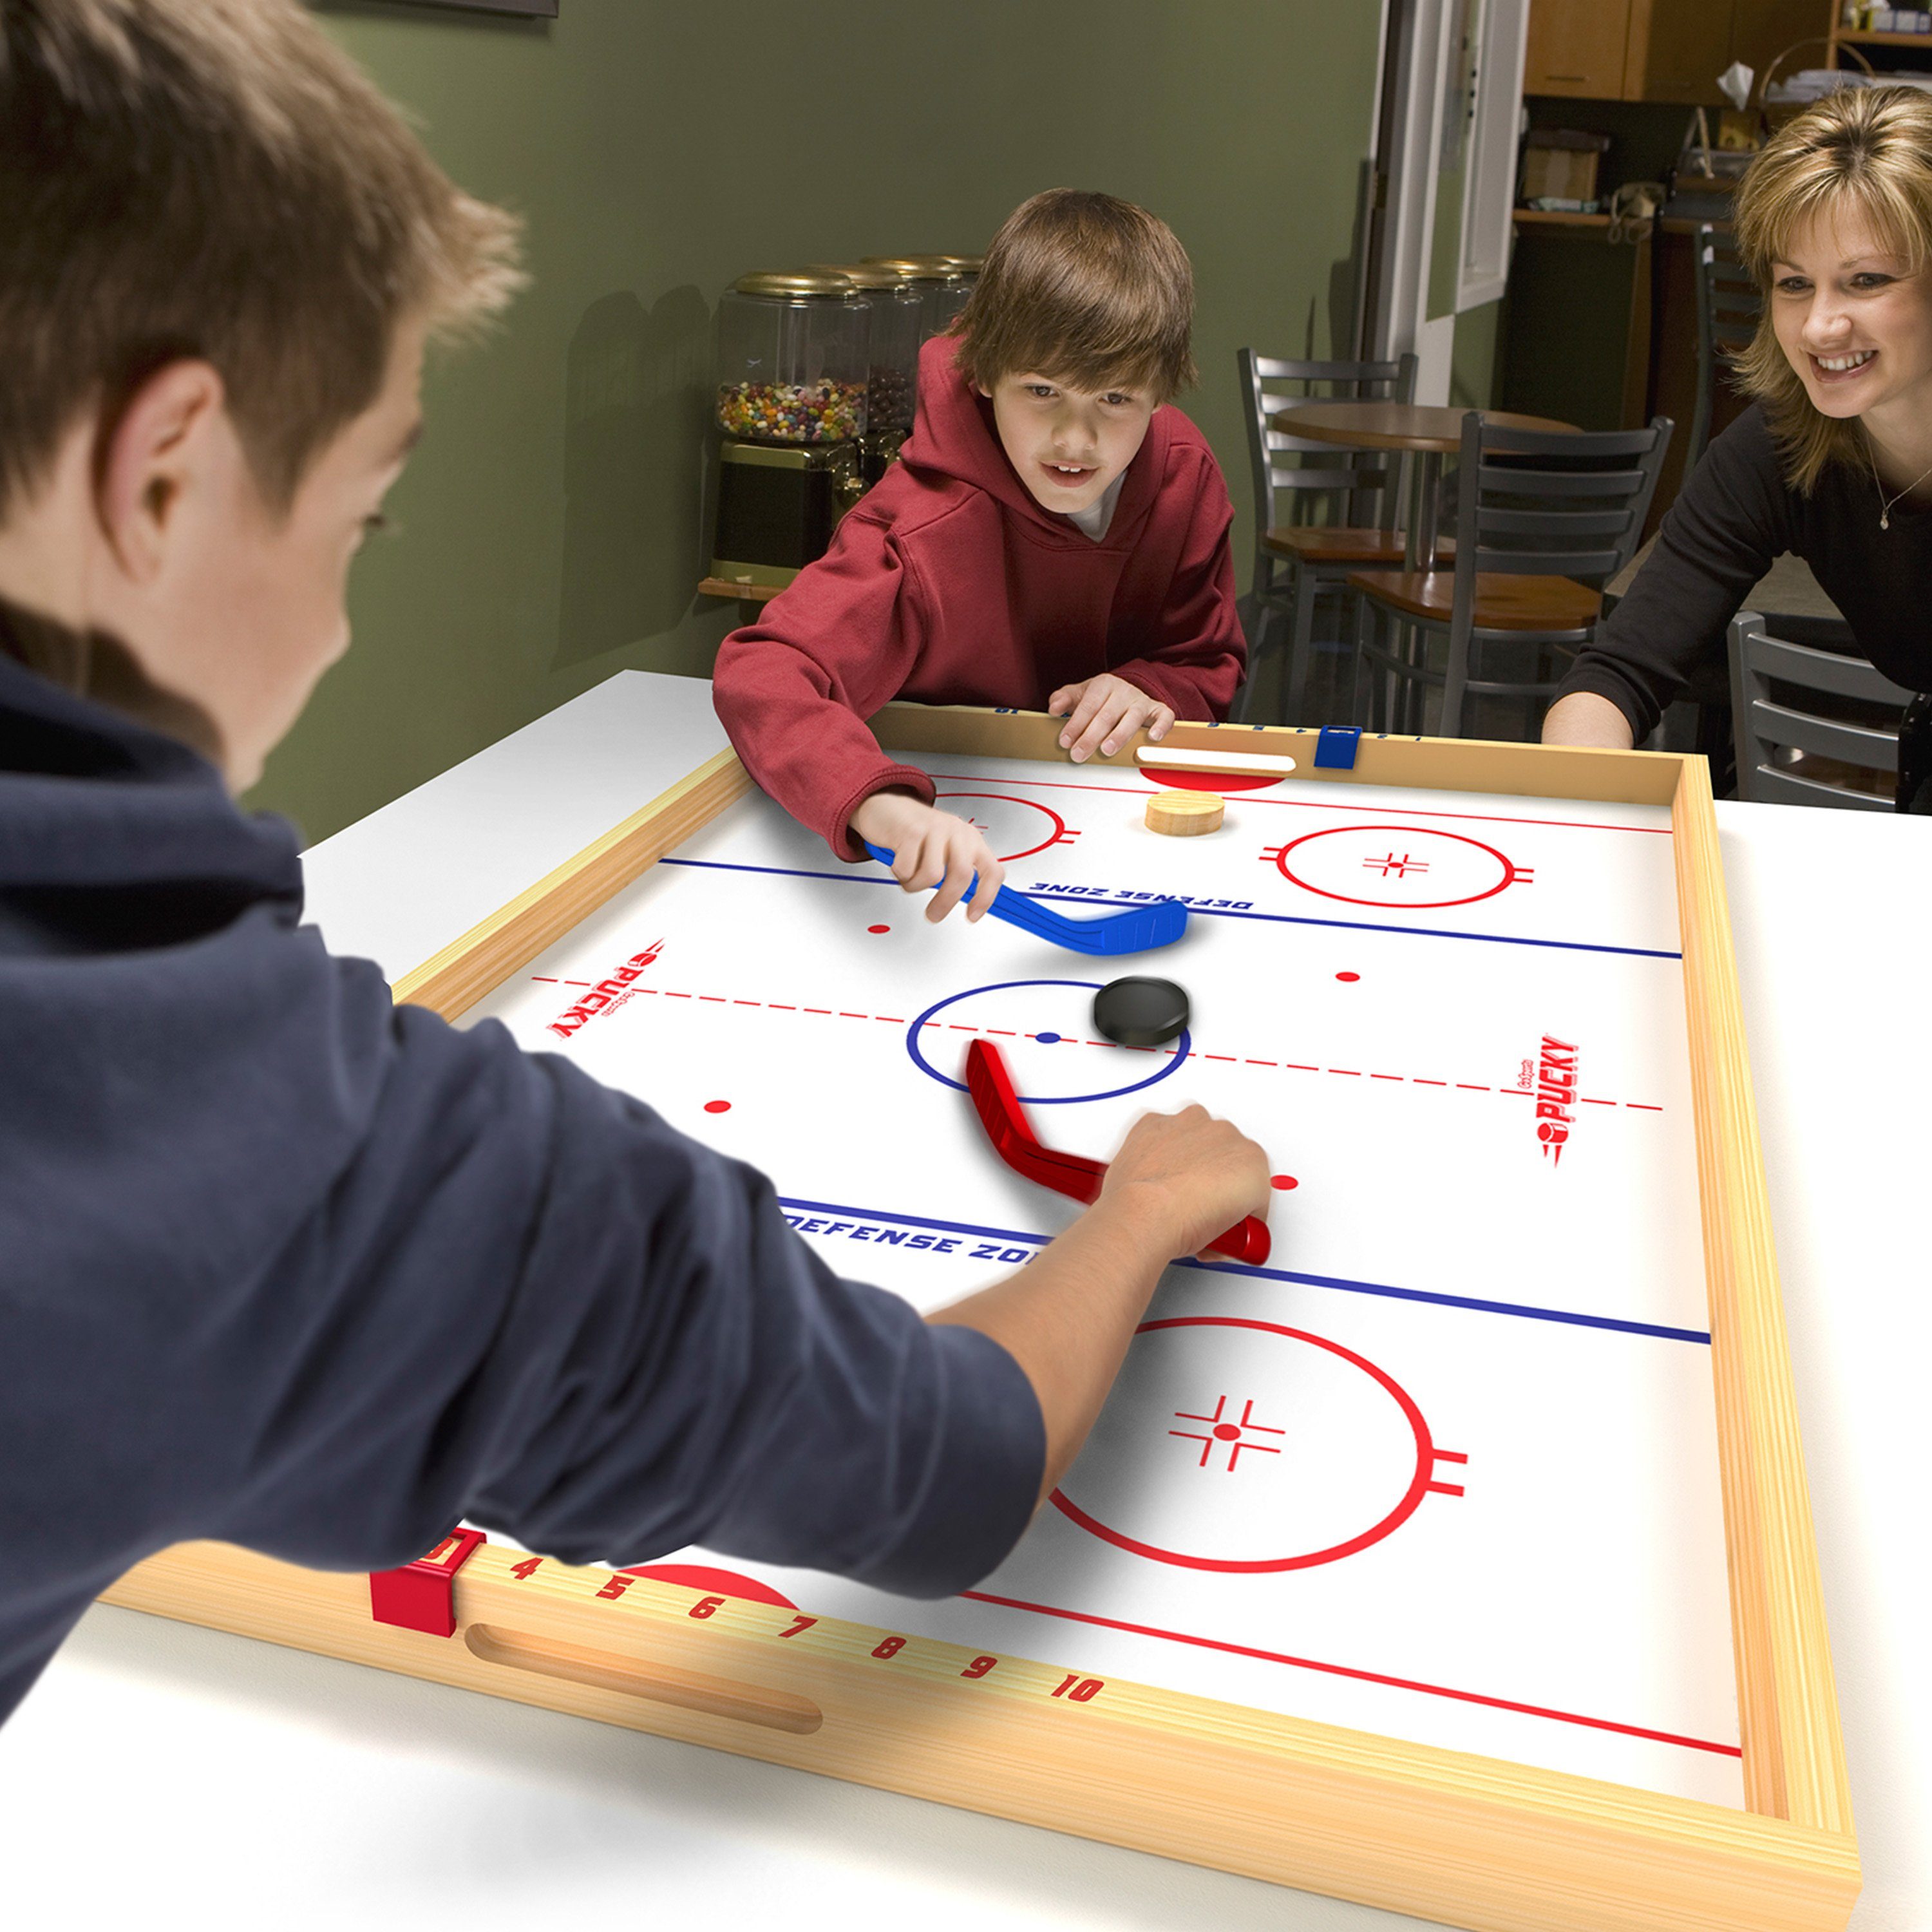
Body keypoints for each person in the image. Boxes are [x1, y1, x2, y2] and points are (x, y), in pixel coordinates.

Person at [0, 0, 1271, 1727]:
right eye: (362, 514)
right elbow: (938, 1458)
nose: (341, 621)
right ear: (163, 478)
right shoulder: (282, 1148)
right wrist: (1139, 1214)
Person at [712, 189, 1248, 923]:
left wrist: (1149, 683)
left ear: (1160, 393)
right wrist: (881, 803)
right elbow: (763, 671)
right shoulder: (921, 520)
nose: (1075, 439)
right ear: (987, 371)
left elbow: (1205, 660)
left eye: (1115, 400)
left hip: (1107, 829)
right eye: (1042, 391)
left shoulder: (1186, 473)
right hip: (937, 848)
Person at [1540, 83, 1932, 813]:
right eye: (1793, 283)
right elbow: (1617, 673)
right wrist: (1578, 808)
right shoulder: (1782, 445)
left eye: (1866, 281)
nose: (1819, 327)